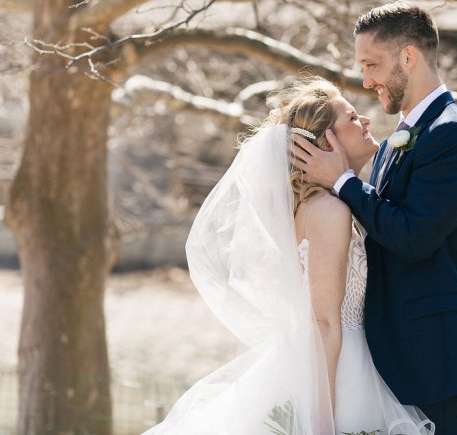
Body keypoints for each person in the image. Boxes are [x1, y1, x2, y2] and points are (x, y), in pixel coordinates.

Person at [143, 77, 434, 434]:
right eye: (352, 118)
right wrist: (322, 423)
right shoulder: (328, 211)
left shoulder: (326, 205)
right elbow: (324, 322)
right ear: (326, 142)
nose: (366, 121)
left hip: (343, 361)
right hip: (341, 374)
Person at [291, 2, 457, 435]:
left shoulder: (455, 135)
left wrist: (343, 181)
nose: (366, 81)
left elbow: (413, 237)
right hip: (389, 365)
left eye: (372, 65)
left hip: (437, 367)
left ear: (408, 56)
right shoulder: (390, 146)